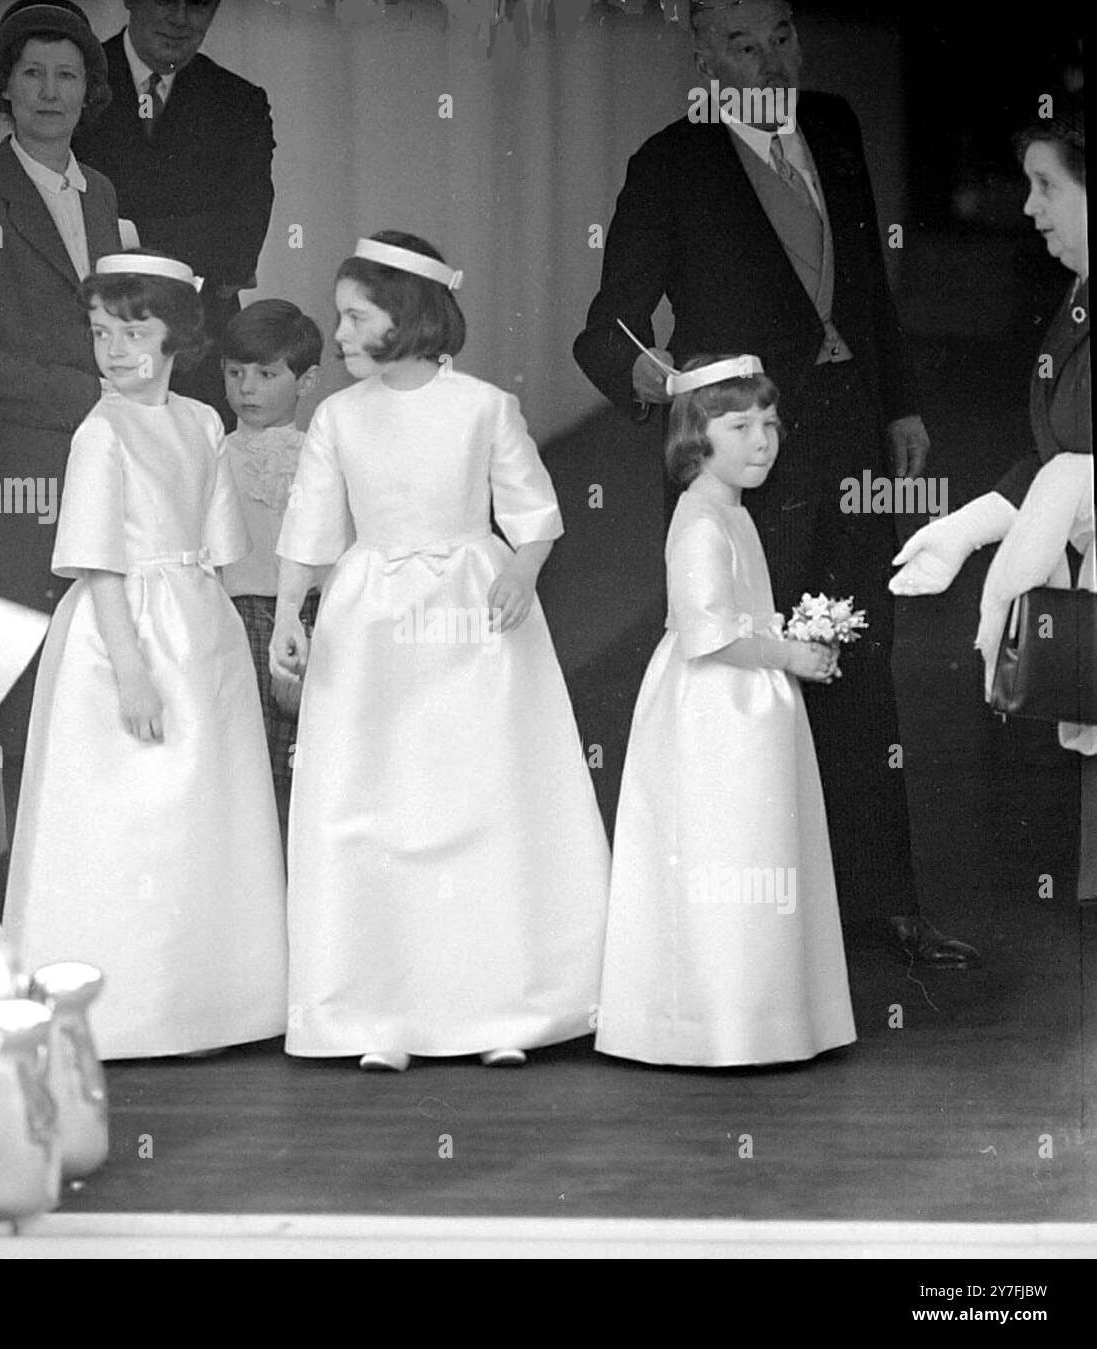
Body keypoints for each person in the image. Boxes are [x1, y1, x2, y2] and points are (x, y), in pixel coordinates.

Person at [572, 0, 979, 969]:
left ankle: (882, 905)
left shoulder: (831, 125)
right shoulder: (670, 163)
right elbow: (604, 331)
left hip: (850, 443)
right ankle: (761, 918)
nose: (769, 61)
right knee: (757, 677)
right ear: (702, 51)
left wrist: (900, 403)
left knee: (861, 658)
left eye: (782, 36)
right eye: (743, 43)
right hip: (746, 467)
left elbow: (866, 284)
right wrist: (679, 401)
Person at [270, 232, 610, 1072]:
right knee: (377, 806)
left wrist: (524, 569)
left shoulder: (484, 406)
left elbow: (533, 510)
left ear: (408, 315)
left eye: (355, 316)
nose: (339, 334)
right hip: (372, 619)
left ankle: (502, 1007)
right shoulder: (338, 417)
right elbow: (311, 525)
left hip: (471, 613)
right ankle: (380, 1013)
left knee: (482, 797)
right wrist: (288, 612)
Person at [3, 252, 287, 1060]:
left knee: (203, 807)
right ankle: (123, 1009)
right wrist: (130, 670)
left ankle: (209, 1002)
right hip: (119, 628)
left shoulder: (200, 423)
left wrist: (227, 640)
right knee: (129, 809)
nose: (116, 348)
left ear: (176, 335)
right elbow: (97, 559)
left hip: (198, 624)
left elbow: (220, 547)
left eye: (136, 329)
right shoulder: (101, 431)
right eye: (101, 331)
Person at [595, 355, 856, 1066]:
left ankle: (762, 1015)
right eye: (740, 425)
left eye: (769, 424)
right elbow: (710, 632)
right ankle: (720, 1021)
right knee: (725, 847)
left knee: (757, 847)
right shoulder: (702, 520)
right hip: (715, 712)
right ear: (696, 436)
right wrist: (791, 656)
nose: (763, 440)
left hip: (750, 705)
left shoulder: (731, 513)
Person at [0, 0, 122, 839]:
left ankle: (69, 873)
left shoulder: (104, 192)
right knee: (7, 691)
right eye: (32, 72)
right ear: (3, 85)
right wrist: (90, 395)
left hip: (99, 470)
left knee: (86, 676)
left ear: (89, 91)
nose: (49, 91)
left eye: (67, 74)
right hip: (12, 478)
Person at [892, 98, 1093, 900]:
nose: (1028, 207)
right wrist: (971, 527)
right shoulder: (1078, 298)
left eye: (1045, 185)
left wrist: (1065, 489)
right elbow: (1060, 453)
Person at [73, 0, 275, 424]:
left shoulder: (239, 100)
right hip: (92, 351)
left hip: (198, 352)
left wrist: (125, 233)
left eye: (199, 4)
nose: (180, 19)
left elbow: (239, 242)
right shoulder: (74, 82)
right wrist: (192, 231)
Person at [218, 299, 323, 842]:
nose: (247, 389)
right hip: (232, 624)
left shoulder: (323, 457)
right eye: (235, 373)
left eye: (266, 374)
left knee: (299, 779)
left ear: (306, 382)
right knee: (242, 776)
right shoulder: (211, 452)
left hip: (303, 622)